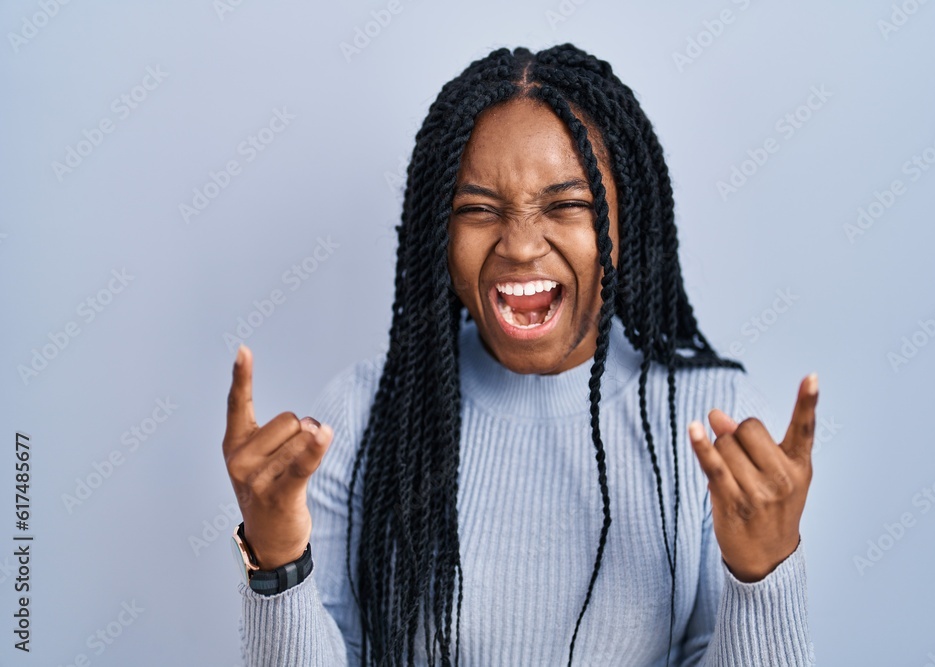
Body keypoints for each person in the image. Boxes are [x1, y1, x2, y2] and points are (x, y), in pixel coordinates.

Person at [223, 44, 817, 666]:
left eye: (566, 205)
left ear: (624, 224)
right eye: (478, 210)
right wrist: (277, 561)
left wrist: (763, 575)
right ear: (438, 236)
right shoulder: (362, 416)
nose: (522, 245)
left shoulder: (708, 425)